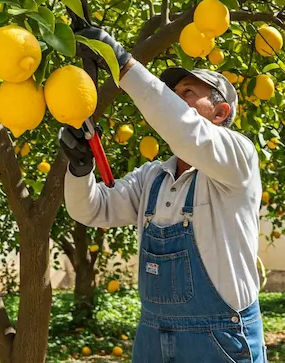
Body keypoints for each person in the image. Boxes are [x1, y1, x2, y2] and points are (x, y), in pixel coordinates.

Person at [61, 25, 266, 362]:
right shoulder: (153, 177)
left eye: (187, 92)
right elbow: (92, 210)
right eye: (172, 92)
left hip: (219, 340)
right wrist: (80, 170)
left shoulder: (238, 158)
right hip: (153, 337)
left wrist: (122, 63)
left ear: (220, 112)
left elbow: (185, 130)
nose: (173, 99)